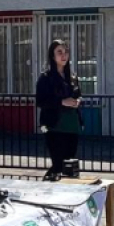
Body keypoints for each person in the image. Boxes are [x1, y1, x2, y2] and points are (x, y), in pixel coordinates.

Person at [35, 39, 83, 181]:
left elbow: (78, 95)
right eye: (59, 52)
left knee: (69, 163)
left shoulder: (72, 77)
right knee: (58, 163)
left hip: (72, 125)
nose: (64, 55)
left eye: (66, 52)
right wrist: (62, 102)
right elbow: (40, 101)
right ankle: (44, 186)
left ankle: (64, 189)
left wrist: (78, 101)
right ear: (52, 55)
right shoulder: (46, 77)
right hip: (52, 125)